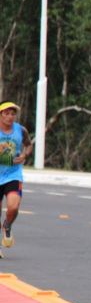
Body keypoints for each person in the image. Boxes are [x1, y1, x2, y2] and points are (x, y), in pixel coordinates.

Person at [0, 101, 32, 259]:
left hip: (13, 174)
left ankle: (7, 225)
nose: (10, 117)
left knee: (13, 207)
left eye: (13, 114)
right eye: (6, 113)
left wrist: (24, 155)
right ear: (0, 115)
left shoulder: (20, 130)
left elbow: (28, 145)